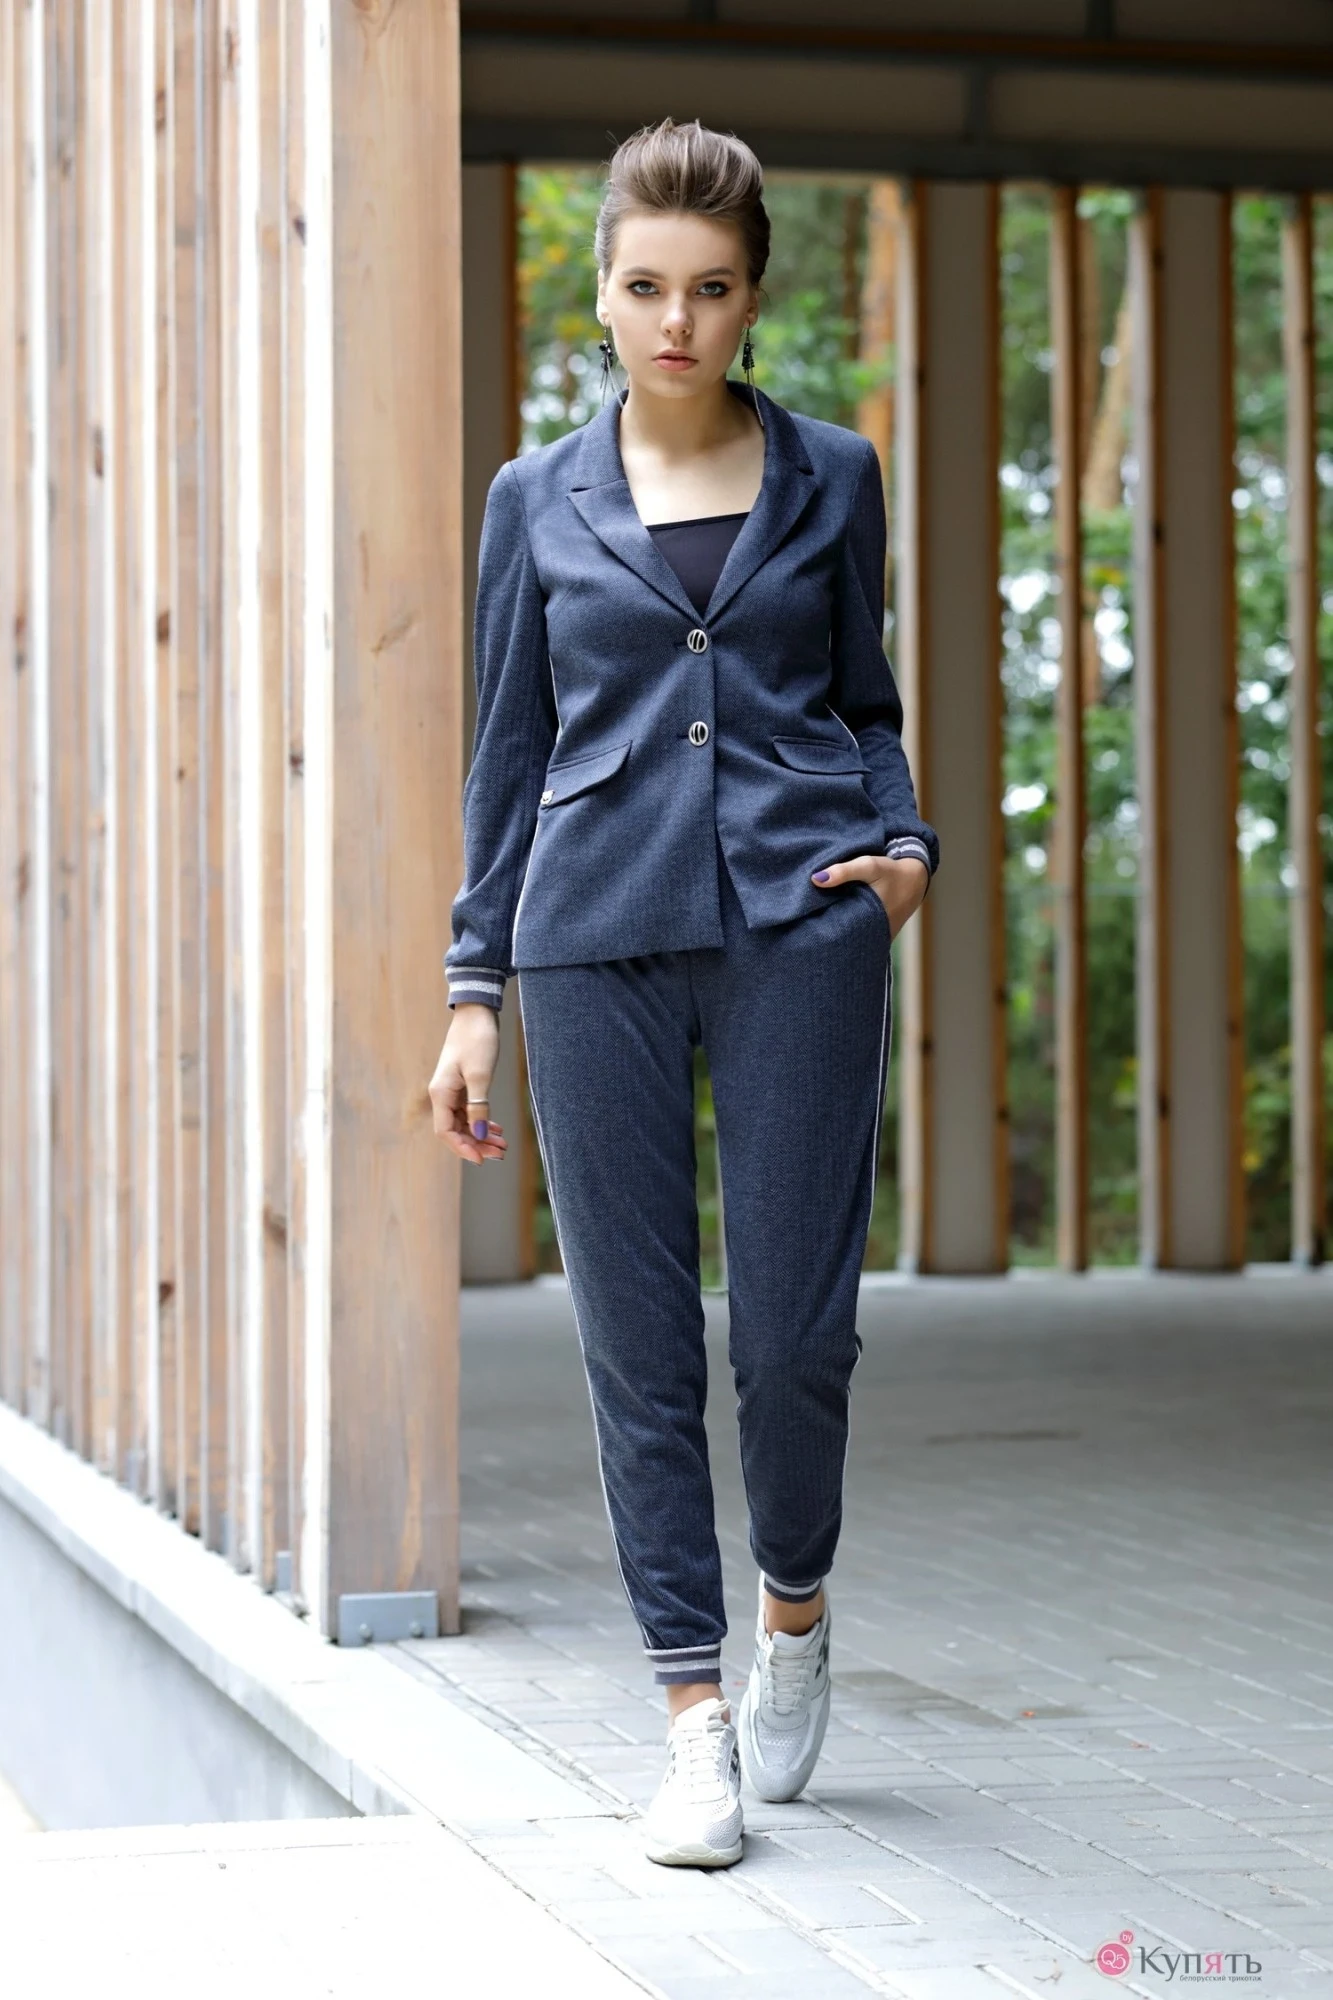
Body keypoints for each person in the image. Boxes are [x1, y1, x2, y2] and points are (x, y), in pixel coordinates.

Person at [431, 117, 938, 1870]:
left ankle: (794, 1609)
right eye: (645, 287)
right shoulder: (533, 498)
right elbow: (507, 750)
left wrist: (906, 848)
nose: (676, 322)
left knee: (792, 1338)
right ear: (601, 293)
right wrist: (473, 984)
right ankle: (690, 1716)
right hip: (590, 937)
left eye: (709, 290)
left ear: (751, 299)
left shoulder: (835, 475)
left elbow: (866, 699)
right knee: (636, 1347)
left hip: (803, 921)